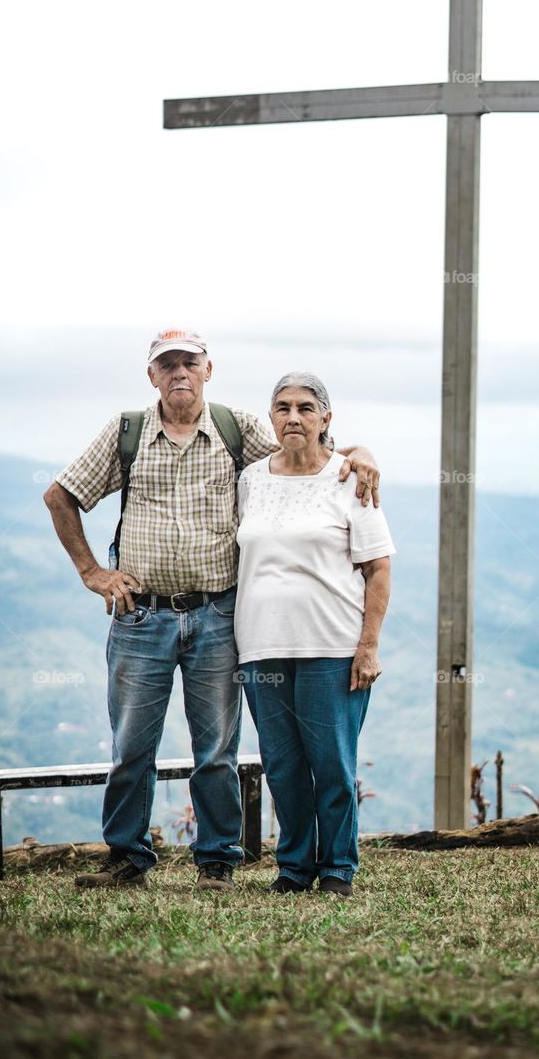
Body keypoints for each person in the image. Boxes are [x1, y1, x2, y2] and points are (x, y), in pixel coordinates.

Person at [43, 330, 379, 891]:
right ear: (152, 375)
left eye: (189, 363)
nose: (179, 372)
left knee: (217, 748)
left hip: (219, 615)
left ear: (208, 369)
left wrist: (358, 453)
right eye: (167, 364)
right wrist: (92, 573)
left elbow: (303, 452)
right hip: (140, 616)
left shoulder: (236, 428)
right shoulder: (125, 432)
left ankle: (217, 861)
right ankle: (128, 856)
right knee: (131, 745)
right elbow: (60, 495)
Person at [235, 372, 394, 899]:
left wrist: (368, 647)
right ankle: (294, 867)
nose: (294, 417)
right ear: (271, 417)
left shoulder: (351, 480)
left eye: (306, 407)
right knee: (282, 765)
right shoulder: (252, 478)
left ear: (327, 418)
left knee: (332, 764)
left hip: (333, 647)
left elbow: (378, 569)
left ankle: (338, 870)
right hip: (262, 646)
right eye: (282, 407)